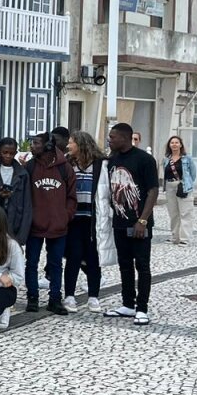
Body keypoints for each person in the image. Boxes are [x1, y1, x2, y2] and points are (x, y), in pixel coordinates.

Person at [105, 123, 157, 325]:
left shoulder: (145, 159)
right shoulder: (112, 160)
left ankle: (142, 308)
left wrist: (143, 220)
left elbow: (153, 191)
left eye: (112, 137)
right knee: (124, 265)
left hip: (139, 223)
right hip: (120, 222)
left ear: (125, 138)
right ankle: (128, 304)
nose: (109, 140)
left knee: (142, 266)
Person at [23, 131, 75, 315]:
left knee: (55, 264)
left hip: (58, 225)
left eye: (36, 143)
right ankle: (32, 297)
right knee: (31, 263)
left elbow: (71, 196)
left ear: (47, 145)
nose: (32, 146)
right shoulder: (30, 166)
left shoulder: (64, 168)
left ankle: (55, 299)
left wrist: (65, 216)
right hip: (35, 225)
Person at [63, 131, 115, 314]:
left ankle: (94, 296)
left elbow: (109, 191)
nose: (68, 145)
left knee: (94, 258)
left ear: (81, 144)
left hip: (94, 219)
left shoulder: (102, 164)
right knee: (74, 257)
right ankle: (69, 295)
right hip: (74, 218)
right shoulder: (68, 163)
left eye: (71, 142)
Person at [161, 135, 196, 245]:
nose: (174, 144)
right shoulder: (166, 159)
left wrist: (186, 183)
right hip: (170, 186)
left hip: (183, 186)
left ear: (180, 145)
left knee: (185, 213)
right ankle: (175, 236)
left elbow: (193, 174)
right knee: (173, 213)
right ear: (169, 145)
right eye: (172, 143)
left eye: (176, 142)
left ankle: (185, 239)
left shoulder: (187, 159)